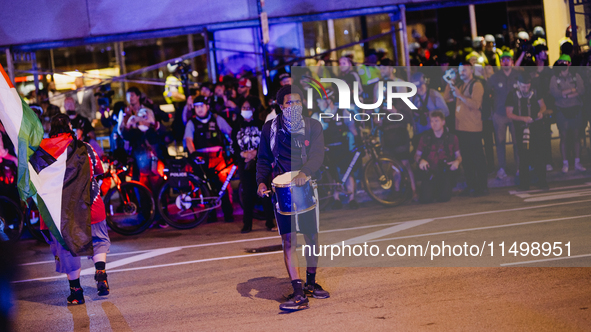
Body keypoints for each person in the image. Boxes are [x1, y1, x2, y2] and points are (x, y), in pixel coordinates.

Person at [256, 85, 329, 311]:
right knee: (289, 240)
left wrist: (305, 172)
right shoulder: (270, 129)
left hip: (306, 185)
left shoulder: (312, 126)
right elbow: (263, 159)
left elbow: (318, 154)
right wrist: (260, 181)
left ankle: (310, 282)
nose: (294, 106)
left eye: (297, 102)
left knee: (312, 238)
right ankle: (298, 292)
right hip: (282, 189)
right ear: (280, 106)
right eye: (289, 103)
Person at [36, 114, 110, 305]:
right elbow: (98, 170)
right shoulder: (85, 147)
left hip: (61, 212)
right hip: (90, 206)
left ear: (50, 129)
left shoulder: (41, 151)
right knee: (98, 240)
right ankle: (100, 270)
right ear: (70, 127)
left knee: (67, 248)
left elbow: (36, 181)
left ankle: (76, 293)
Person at [184, 95, 235, 222]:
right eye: (196, 107)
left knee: (223, 186)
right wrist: (193, 153)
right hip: (201, 160)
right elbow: (188, 139)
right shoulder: (192, 122)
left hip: (218, 159)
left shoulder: (217, 119)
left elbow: (230, 133)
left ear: (207, 107)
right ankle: (210, 215)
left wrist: (234, 146)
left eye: (202, 106)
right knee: (205, 188)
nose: (199, 109)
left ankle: (228, 214)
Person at [443, 62, 488, 196]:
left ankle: (482, 186)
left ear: (471, 71)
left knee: (477, 158)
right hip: (460, 128)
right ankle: (472, 185)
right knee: (466, 159)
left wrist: (460, 96)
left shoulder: (476, 85)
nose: (461, 73)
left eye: (464, 70)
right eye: (460, 70)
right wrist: (450, 82)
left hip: (473, 128)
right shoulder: (460, 85)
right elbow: (447, 98)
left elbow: (476, 104)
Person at [312, 88, 360, 209]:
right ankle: (336, 198)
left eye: (320, 101)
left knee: (348, 172)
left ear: (328, 101)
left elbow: (352, 127)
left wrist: (357, 139)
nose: (318, 104)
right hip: (327, 150)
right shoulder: (317, 116)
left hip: (342, 147)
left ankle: (351, 199)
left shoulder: (343, 112)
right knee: (332, 174)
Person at [232, 97, 275, 233]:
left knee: (265, 191)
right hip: (244, 164)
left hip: (260, 163)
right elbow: (232, 146)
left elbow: (267, 142)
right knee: (247, 194)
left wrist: (256, 153)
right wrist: (244, 155)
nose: (245, 111)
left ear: (253, 110)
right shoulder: (236, 126)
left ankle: (270, 222)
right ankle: (247, 224)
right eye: (243, 108)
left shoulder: (261, 124)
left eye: (248, 108)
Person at [506, 74, 548, 190]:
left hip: (536, 126)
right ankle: (524, 183)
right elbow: (509, 113)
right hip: (521, 128)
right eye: (523, 87)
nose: (526, 89)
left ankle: (542, 181)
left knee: (539, 153)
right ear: (519, 84)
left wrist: (541, 112)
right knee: (524, 155)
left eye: (527, 86)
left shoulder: (535, 91)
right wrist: (523, 118)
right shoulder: (512, 95)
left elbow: (543, 105)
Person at [549, 55, 586, 173]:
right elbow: (555, 93)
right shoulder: (555, 78)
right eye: (560, 62)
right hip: (562, 110)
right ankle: (565, 163)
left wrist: (564, 94)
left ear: (569, 64)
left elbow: (581, 90)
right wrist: (571, 90)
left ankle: (577, 162)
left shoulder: (576, 76)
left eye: (564, 62)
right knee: (563, 137)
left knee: (576, 137)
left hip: (575, 109)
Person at [415, 111, 462, 203]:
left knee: (444, 198)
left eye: (437, 121)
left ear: (443, 122)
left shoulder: (452, 138)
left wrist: (457, 162)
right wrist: (420, 160)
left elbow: (459, 156)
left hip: (444, 171)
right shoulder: (425, 137)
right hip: (430, 171)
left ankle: (441, 190)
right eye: (432, 121)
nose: (434, 124)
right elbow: (416, 155)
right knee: (426, 199)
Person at [487, 52, 520, 180]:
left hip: (515, 113)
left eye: (508, 59)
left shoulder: (517, 75)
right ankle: (502, 168)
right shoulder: (494, 77)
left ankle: (519, 167)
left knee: (517, 142)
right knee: (500, 142)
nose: (506, 62)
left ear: (512, 61)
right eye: (503, 60)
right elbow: (487, 94)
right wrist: (492, 111)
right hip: (499, 113)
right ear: (500, 62)